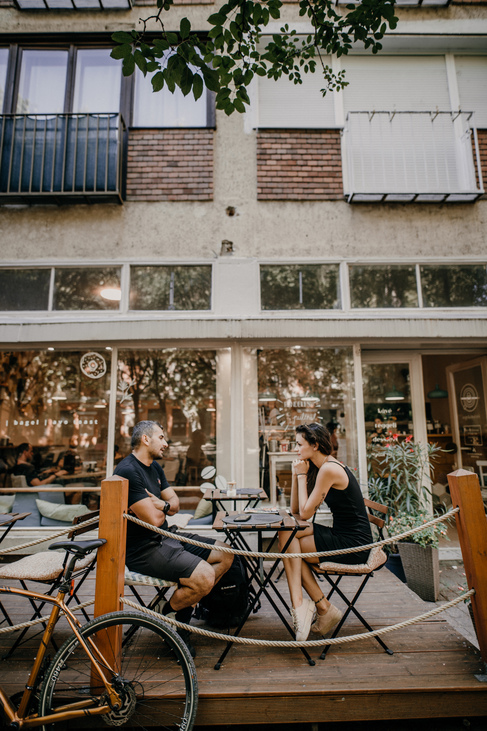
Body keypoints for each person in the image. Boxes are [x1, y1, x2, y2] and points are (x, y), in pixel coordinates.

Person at [114, 420, 233, 655]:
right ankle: (177, 623)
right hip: (142, 548)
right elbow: (154, 520)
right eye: (161, 437)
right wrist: (164, 508)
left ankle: (167, 610)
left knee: (226, 554)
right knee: (204, 576)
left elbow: (175, 505)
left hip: (166, 537)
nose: (166, 444)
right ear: (145, 439)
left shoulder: (155, 468)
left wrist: (163, 504)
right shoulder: (128, 470)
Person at [278, 422, 373, 642]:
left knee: (291, 543)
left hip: (354, 544)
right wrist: (297, 474)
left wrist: (302, 476)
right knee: (287, 534)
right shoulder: (321, 467)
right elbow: (296, 513)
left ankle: (311, 607)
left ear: (315, 445)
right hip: (341, 535)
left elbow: (304, 512)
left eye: (299, 444)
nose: (296, 448)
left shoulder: (329, 469)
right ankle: (310, 606)